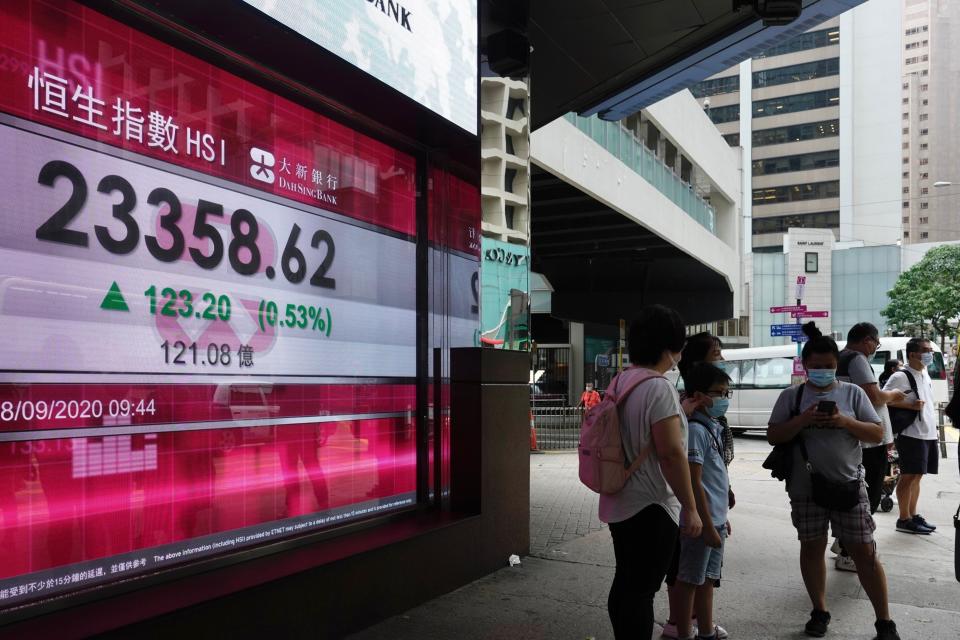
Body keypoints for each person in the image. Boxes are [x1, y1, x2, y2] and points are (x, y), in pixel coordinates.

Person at [767, 322, 900, 640]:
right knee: (811, 548)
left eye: (829, 367)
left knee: (865, 552)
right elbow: (774, 435)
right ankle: (819, 610)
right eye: (816, 367)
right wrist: (803, 419)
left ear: (836, 365)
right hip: (805, 488)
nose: (823, 372)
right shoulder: (792, 396)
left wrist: (843, 421)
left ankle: (884, 622)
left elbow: (877, 432)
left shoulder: (852, 393)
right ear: (805, 366)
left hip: (849, 484)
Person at [599, 305, 703, 640]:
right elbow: (671, 454)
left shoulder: (622, 381)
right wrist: (690, 507)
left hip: (620, 498)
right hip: (652, 506)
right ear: (670, 347)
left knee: (627, 583)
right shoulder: (659, 388)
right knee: (640, 590)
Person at [664, 334, 733, 640]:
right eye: (718, 393)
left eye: (726, 392)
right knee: (688, 579)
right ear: (698, 394)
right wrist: (705, 521)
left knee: (708, 579)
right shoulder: (695, 429)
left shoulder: (712, 426)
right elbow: (695, 480)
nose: (723, 398)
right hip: (702, 522)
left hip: (714, 518)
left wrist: (719, 516)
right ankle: (681, 632)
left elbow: (715, 476)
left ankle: (705, 631)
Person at [833, 324, 906, 571]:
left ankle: (844, 543)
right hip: (868, 440)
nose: (875, 348)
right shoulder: (857, 358)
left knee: (854, 493)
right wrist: (894, 394)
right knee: (868, 495)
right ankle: (849, 551)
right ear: (867, 341)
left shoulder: (843, 358)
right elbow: (874, 396)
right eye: (876, 343)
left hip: (858, 438)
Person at [884, 337, 939, 534]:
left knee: (917, 476)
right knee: (907, 476)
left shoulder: (925, 375)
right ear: (912, 354)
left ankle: (913, 515)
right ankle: (903, 519)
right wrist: (909, 405)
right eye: (925, 350)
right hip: (911, 433)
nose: (929, 353)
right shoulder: (901, 376)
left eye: (929, 350)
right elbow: (883, 399)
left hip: (927, 433)